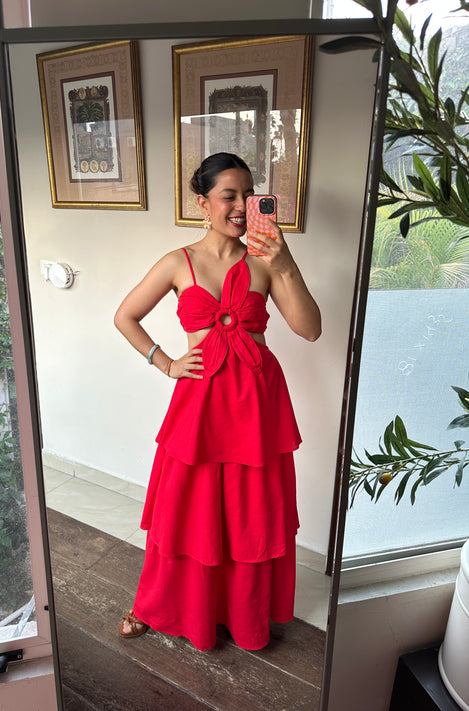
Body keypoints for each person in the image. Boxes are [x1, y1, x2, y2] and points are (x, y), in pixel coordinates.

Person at [114, 152, 321, 651]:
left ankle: (243, 615)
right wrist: (165, 362)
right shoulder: (177, 262)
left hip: (256, 406)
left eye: (249, 195)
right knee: (186, 508)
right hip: (200, 405)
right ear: (203, 203)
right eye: (229, 196)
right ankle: (157, 604)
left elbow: (310, 329)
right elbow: (125, 316)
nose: (241, 206)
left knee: (250, 511)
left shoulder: (265, 263)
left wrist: (285, 263)